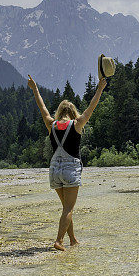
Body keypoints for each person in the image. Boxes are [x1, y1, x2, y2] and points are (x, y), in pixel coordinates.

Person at [27, 73, 107, 251]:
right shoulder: (78, 123)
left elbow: (42, 108)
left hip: (54, 170)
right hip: (70, 170)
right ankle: (59, 241)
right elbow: (91, 107)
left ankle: (73, 240)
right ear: (72, 113)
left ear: (59, 112)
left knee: (66, 208)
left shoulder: (51, 124)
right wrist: (100, 88)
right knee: (68, 209)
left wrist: (35, 89)